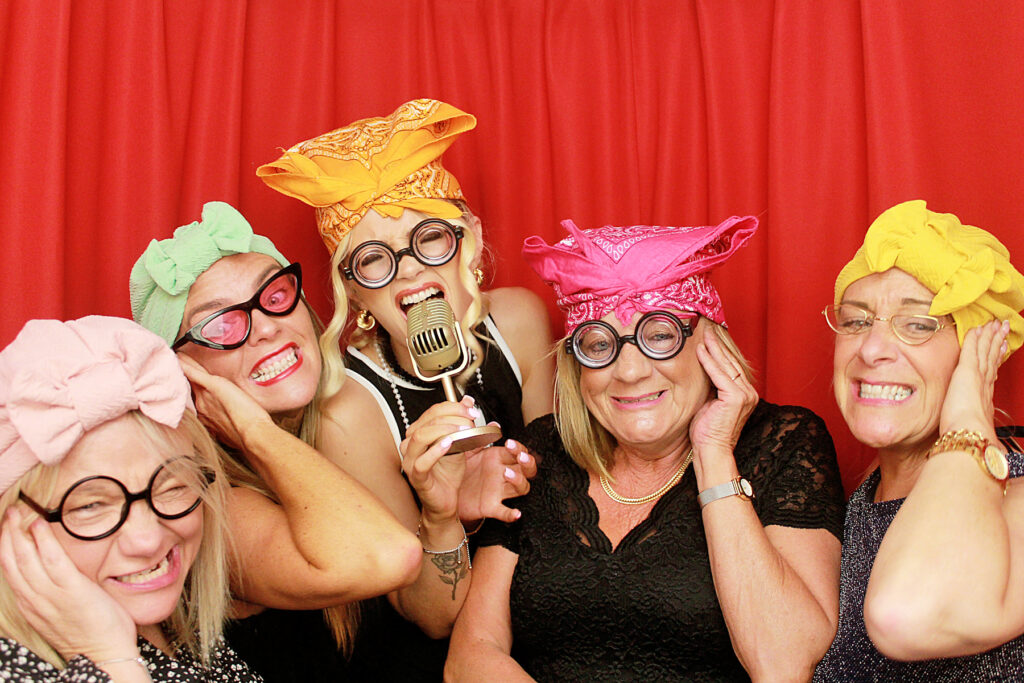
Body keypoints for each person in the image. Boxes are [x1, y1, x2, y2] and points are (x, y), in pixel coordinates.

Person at [130, 201, 530, 681]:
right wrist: (254, 430)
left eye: (274, 295)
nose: (267, 327)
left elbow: (435, 621)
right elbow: (387, 556)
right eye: (222, 325)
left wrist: (443, 517)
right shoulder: (216, 505)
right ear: (181, 370)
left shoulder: (342, 431)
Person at [446, 217, 847, 682]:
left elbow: (784, 662)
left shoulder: (785, 441)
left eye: (659, 335)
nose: (630, 371)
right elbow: (471, 654)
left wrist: (714, 453)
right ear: (577, 364)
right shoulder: (542, 451)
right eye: (599, 344)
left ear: (710, 342)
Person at [256, 99, 551, 679]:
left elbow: (561, 489)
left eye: (430, 239)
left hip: (541, 609)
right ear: (354, 291)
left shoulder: (519, 321)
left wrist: (524, 473)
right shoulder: (348, 410)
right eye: (375, 260)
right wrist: (445, 515)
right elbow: (431, 620)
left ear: (468, 240)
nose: (411, 270)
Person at [813, 200, 1024, 681]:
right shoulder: (860, 506)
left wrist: (968, 415)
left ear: (976, 354)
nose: (870, 349)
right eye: (856, 320)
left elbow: (904, 616)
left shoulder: (1017, 501)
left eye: (918, 325)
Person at [0, 315, 261, 681]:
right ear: (11, 522)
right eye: (91, 506)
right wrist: (112, 661)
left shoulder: (179, 620)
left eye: (172, 487)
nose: (148, 540)